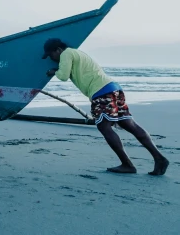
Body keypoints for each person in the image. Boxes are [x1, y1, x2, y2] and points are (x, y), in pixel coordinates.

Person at [43, 38, 169, 175]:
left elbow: (63, 76)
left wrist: (54, 71)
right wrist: (58, 69)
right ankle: (159, 158)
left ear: (58, 50)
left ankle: (127, 164)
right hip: (114, 88)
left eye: (51, 55)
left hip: (101, 92)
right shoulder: (77, 54)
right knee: (129, 124)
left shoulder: (66, 54)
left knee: (104, 126)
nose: (52, 58)